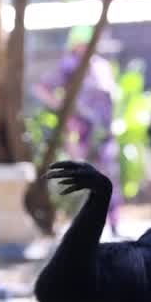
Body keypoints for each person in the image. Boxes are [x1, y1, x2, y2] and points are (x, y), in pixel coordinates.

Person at [35, 25, 124, 237]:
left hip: (105, 134)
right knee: (86, 183)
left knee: (111, 180)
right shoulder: (69, 66)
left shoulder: (102, 66)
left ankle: (115, 227)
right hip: (82, 135)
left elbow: (110, 99)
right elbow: (42, 88)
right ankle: (87, 232)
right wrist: (66, 115)